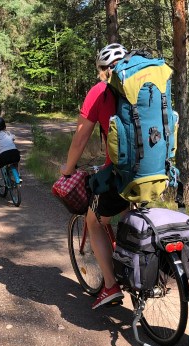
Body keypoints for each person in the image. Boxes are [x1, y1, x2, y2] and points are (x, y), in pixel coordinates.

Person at [61, 43, 129, 310]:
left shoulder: (99, 91)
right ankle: (136, 265)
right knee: (131, 216)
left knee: (94, 220)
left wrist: (68, 170)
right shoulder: (147, 88)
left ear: (103, 70)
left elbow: (80, 138)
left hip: (121, 173)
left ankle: (110, 285)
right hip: (155, 172)